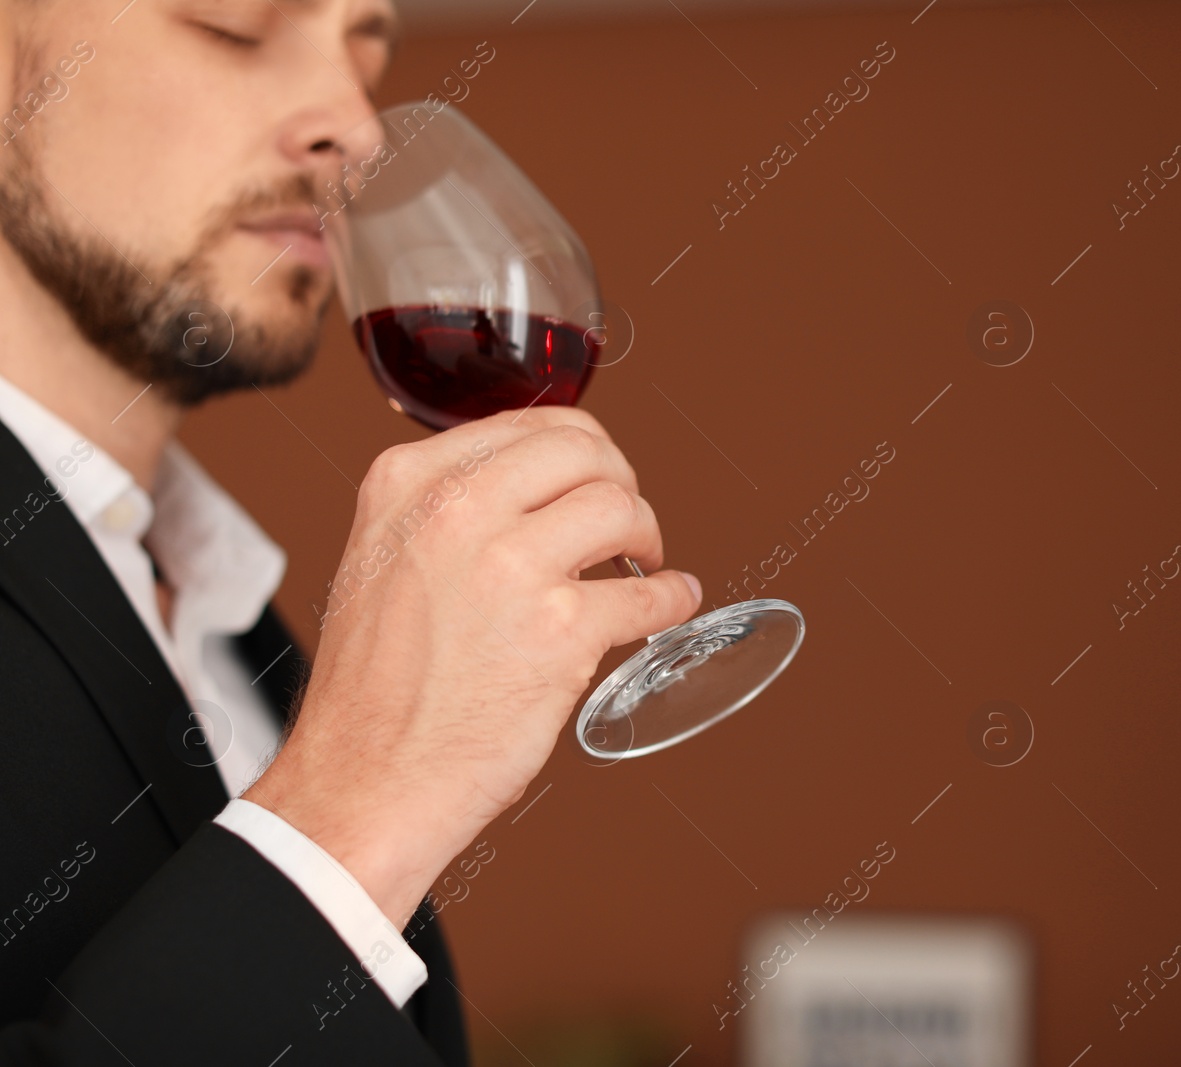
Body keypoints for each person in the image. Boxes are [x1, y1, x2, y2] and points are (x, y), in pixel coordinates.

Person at [0, 0, 702, 1062]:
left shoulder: (242, 631)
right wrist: (353, 815)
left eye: (366, 45)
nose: (356, 126)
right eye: (237, 25)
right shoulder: (338, 730)